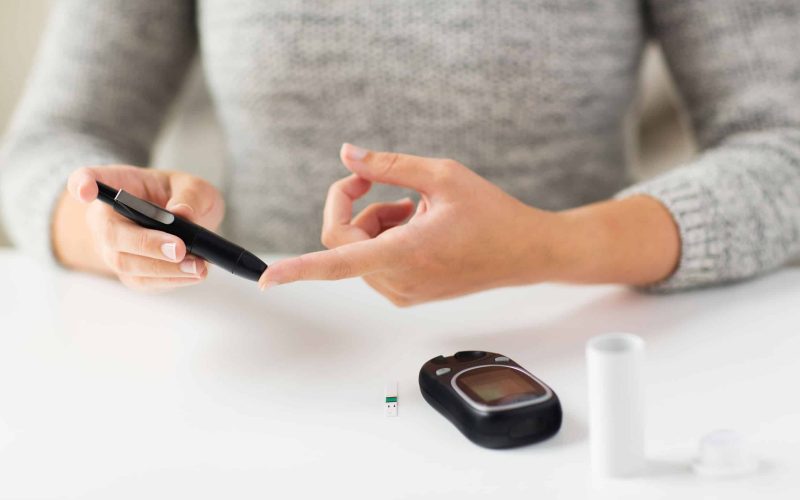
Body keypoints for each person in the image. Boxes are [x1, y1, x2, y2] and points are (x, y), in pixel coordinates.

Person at [1, 1, 799, 306]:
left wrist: (547, 248)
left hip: (572, 343)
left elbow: (784, 144)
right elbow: (49, 145)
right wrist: (110, 234)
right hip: (268, 354)